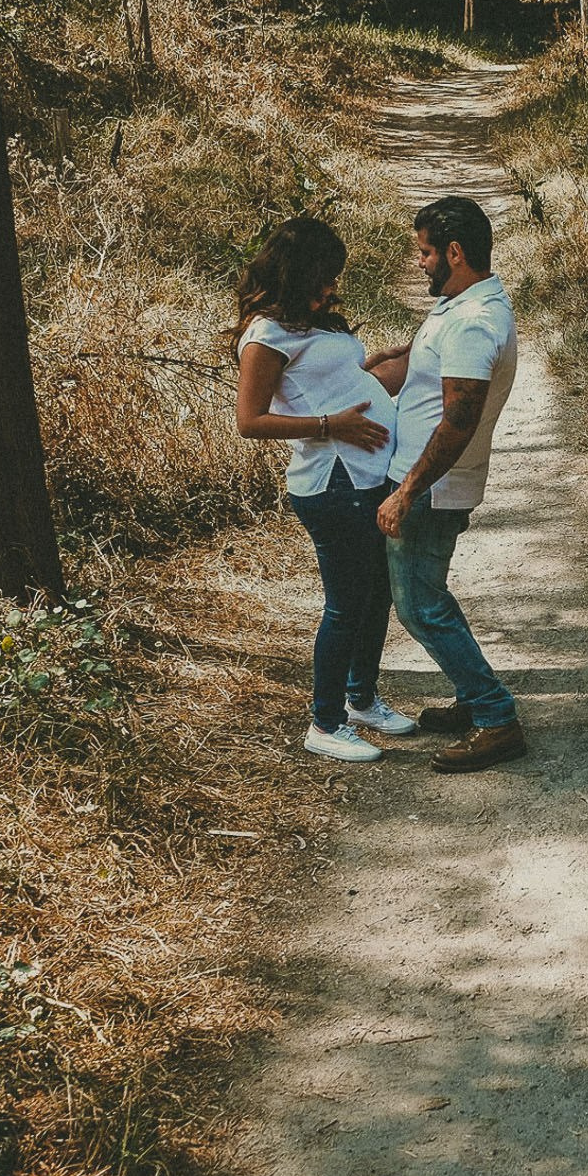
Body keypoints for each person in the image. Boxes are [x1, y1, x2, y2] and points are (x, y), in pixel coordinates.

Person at [232, 215, 420, 763]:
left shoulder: (310, 324)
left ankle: (362, 699)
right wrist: (327, 427)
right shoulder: (264, 336)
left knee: (377, 592)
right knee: (346, 603)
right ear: (298, 274)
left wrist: (372, 367)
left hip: (367, 475)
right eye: (326, 276)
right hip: (332, 482)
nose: (333, 287)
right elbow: (249, 421)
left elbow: (329, 386)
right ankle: (325, 721)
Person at [374, 196, 527, 773]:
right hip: (424, 480)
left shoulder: (472, 323)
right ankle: (473, 698)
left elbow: (459, 418)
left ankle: (495, 717)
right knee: (428, 597)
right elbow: (411, 372)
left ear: (455, 253)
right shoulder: (460, 305)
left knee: (419, 606)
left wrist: (408, 489)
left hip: (434, 488)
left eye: (425, 253)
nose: (420, 264)